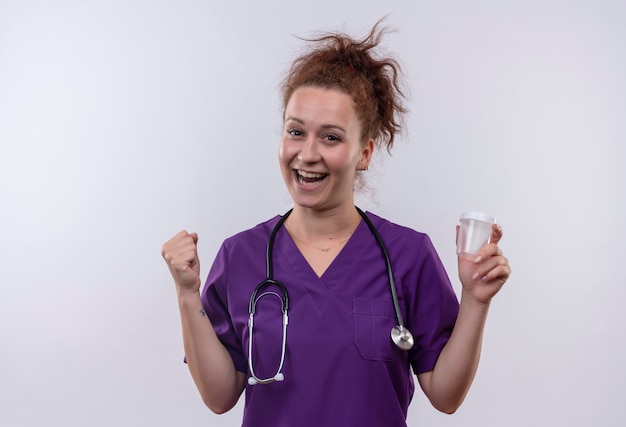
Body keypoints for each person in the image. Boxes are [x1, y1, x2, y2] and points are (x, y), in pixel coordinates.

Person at [161, 19, 511, 427]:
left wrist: (475, 300)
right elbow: (220, 397)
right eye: (295, 132)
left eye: (330, 137)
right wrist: (188, 294)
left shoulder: (408, 256)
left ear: (364, 153)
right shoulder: (241, 256)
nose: (307, 154)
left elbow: (446, 396)